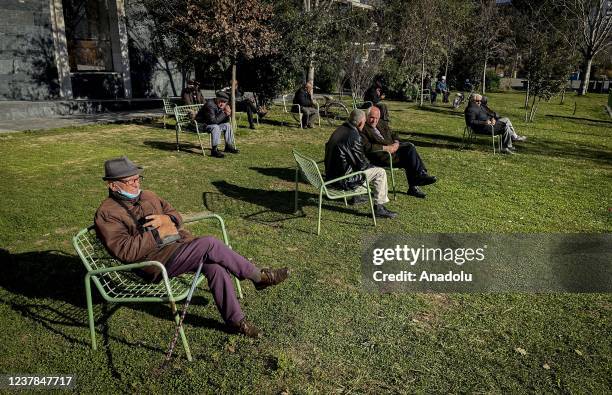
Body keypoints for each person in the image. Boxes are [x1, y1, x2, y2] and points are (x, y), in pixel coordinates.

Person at [94, 156, 290, 338]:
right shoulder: (107, 213)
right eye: (131, 181)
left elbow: (175, 215)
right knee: (209, 243)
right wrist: (158, 233)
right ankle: (258, 276)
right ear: (113, 185)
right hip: (155, 262)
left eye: (138, 178)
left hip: (179, 247)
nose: (137, 184)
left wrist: (167, 219)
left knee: (215, 267)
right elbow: (125, 252)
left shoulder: (148, 195)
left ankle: (236, 321)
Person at [324, 109, 398, 219]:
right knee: (380, 172)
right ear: (360, 123)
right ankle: (379, 208)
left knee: (366, 168)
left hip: (331, 174)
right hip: (342, 180)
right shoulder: (354, 136)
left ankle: (357, 197)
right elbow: (361, 165)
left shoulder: (340, 129)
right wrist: (372, 165)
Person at [360, 107, 437, 199]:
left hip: (394, 151)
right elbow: (367, 147)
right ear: (367, 116)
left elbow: (394, 134)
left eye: (377, 118)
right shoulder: (363, 128)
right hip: (381, 156)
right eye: (372, 117)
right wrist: (387, 148)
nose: (374, 120)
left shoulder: (381, 123)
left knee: (409, 148)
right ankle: (417, 180)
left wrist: (396, 142)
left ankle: (419, 177)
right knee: (409, 153)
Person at [195, 91, 239, 158]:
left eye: (224, 102)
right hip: (201, 125)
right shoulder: (210, 105)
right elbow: (213, 121)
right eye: (220, 101)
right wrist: (224, 113)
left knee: (227, 125)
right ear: (216, 99)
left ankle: (228, 146)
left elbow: (223, 121)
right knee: (215, 127)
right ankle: (214, 150)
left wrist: (227, 114)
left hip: (210, 124)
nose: (222, 104)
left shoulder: (221, 106)